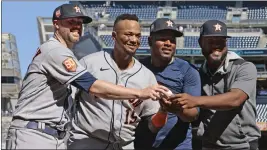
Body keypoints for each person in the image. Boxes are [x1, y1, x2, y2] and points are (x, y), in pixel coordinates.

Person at [5, 4, 168, 149]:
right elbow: (93, 86)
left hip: (53, 136)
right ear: (56, 24)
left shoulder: (64, 53)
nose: (77, 26)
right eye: (71, 22)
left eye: (79, 23)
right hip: (35, 134)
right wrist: (139, 93)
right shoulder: (55, 51)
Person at [67, 14, 170, 150]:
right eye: (128, 34)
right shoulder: (89, 63)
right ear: (114, 36)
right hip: (87, 142)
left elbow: (153, 126)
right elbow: (67, 103)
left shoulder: (147, 76)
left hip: (124, 145)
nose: (134, 40)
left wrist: (163, 111)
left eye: (138, 36)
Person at [173, 20, 261, 150]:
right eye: (210, 41)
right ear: (200, 43)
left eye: (220, 41)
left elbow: (235, 99)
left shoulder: (244, 67)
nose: (216, 45)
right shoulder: (199, 74)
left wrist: (194, 100)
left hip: (242, 145)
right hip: (209, 145)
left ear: (226, 43)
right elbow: (194, 113)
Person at [135, 18, 201, 150]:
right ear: (150, 41)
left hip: (177, 145)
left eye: (172, 40)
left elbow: (193, 114)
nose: (168, 43)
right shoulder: (138, 67)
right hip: (143, 143)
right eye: (162, 39)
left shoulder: (188, 70)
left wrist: (174, 108)